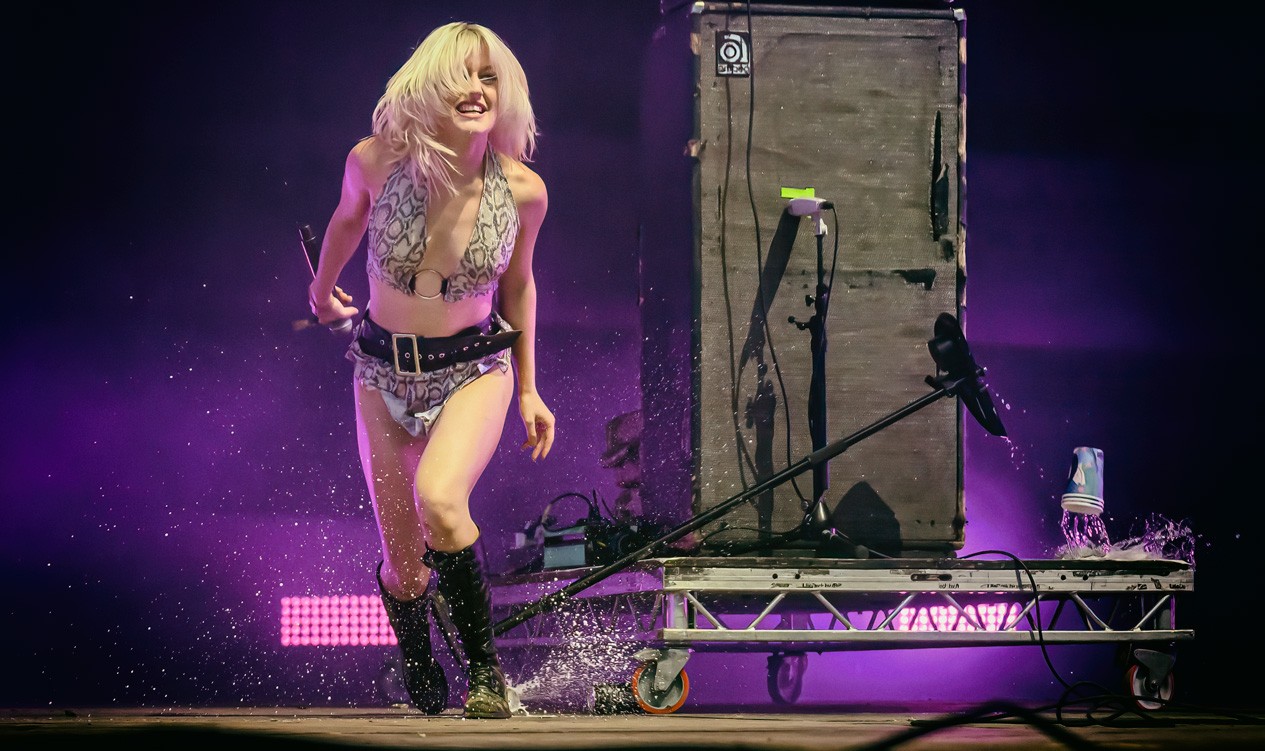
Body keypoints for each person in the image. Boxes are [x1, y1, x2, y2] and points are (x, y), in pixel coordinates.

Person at [307, 21, 555, 719]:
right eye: (460, 76)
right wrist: (321, 291)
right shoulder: (374, 162)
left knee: (441, 503)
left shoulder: (524, 191)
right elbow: (346, 222)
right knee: (405, 567)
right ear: (428, 86)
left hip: (473, 369)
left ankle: (485, 674)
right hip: (381, 373)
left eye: (488, 77)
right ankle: (416, 647)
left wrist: (531, 388)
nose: (476, 90)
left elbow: (519, 286)